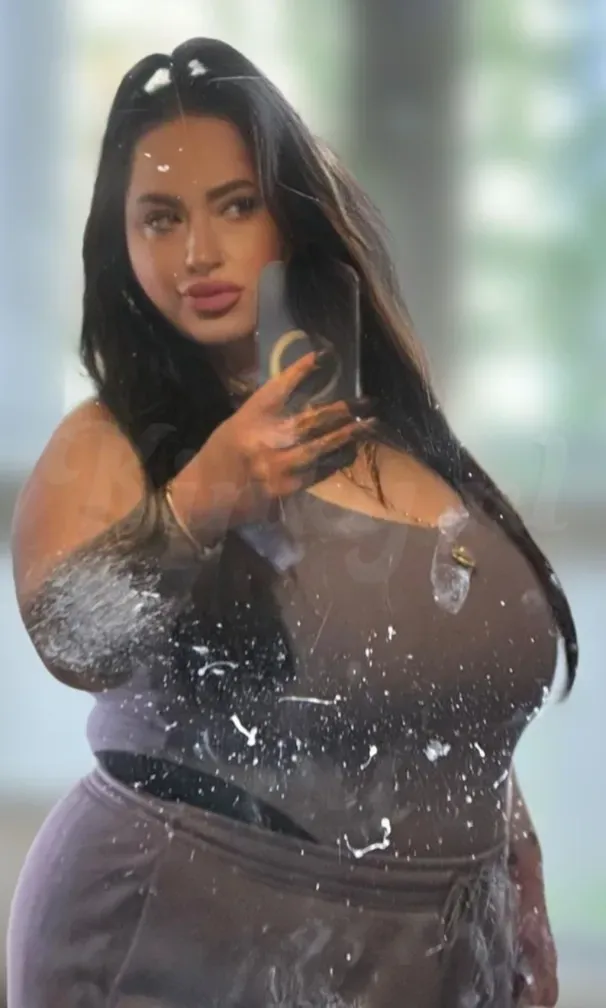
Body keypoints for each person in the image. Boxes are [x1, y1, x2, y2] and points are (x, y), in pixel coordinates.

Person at [6, 37, 576, 1008]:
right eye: (160, 218)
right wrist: (203, 499)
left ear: (294, 213)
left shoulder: (398, 430)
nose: (198, 253)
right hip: (175, 945)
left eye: (235, 205)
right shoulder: (111, 441)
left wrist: (517, 884)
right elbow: (71, 638)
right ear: (120, 242)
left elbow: (443, 707)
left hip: (432, 954)